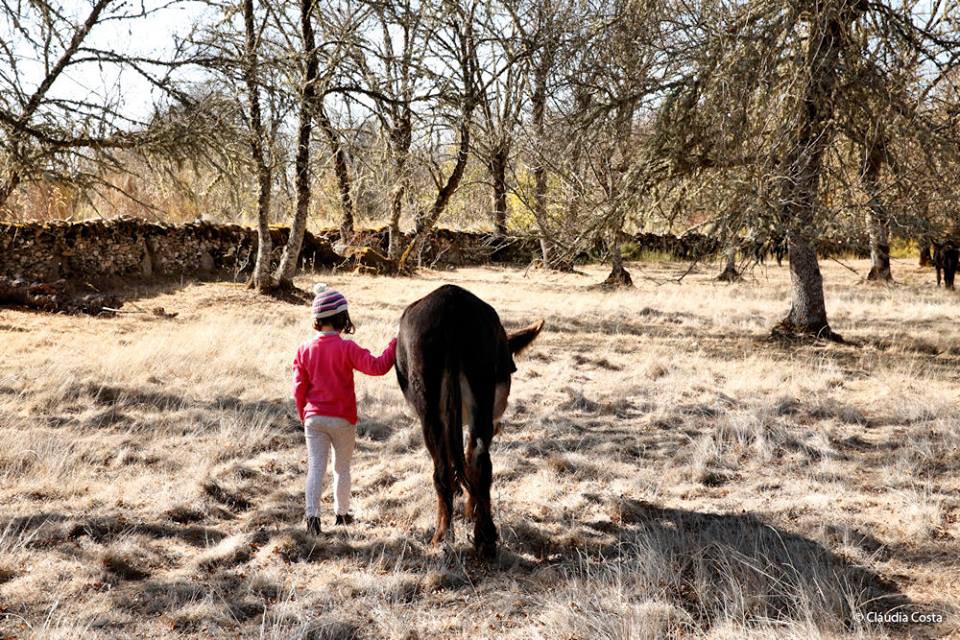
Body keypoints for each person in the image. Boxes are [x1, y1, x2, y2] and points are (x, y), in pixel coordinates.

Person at [292, 284, 397, 535]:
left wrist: (303, 414)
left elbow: (298, 388)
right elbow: (378, 366)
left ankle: (312, 519)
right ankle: (341, 515)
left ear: (317, 319)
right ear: (342, 318)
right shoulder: (347, 348)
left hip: (314, 419)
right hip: (342, 420)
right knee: (342, 468)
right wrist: (395, 343)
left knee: (316, 467)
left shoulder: (304, 349)